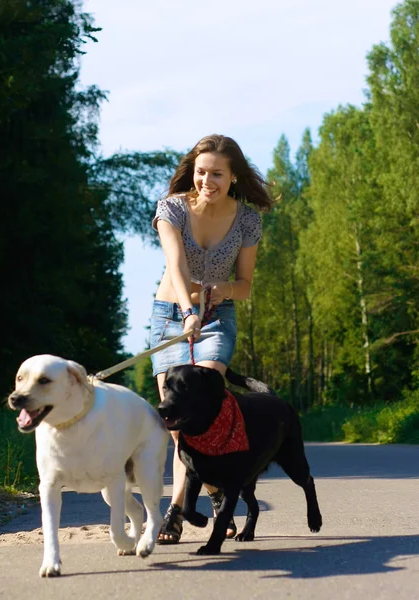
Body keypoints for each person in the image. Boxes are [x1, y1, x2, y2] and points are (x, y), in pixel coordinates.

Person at [150, 134, 274, 544]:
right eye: (201, 172)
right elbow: (177, 263)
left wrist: (220, 294)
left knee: (200, 410)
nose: (207, 180)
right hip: (171, 317)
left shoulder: (248, 220)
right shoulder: (172, 209)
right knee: (177, 423)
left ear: (233, 175)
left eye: (217, 174)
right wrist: (188, 311)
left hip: (217, 319)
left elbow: (245, 284)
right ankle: (218, 494)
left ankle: (175, 511)